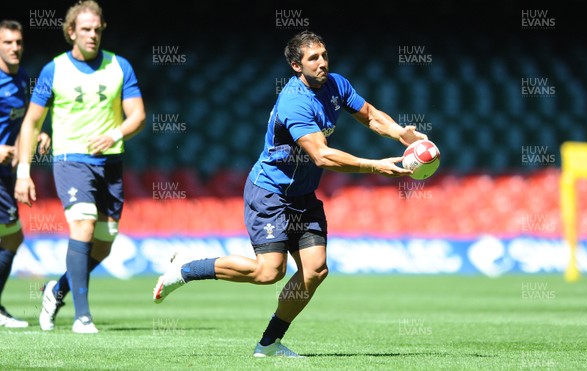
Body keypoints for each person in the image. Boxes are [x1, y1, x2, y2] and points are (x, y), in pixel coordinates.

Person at [153, 30, 427, 357]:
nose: (322, 62)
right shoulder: (294, 102)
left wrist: (400, 134)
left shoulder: (336, 84)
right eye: (314, 58)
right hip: (270, 192)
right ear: (297, 66)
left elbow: (368, 114)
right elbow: (322, 155)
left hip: (302, 195)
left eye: (324, 55)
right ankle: (186, 269)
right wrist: (375, 166)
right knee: (269, 271)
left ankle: (268, 343)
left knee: (315, 270)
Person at [14, 0, 146, 334]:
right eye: (85, 29)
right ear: (71, 32)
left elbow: (138, 116)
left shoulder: (120, 66)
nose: (92, 35)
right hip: (71, 160)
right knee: (83, 226)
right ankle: (82, 317)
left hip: (111, 163)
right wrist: (24, 171)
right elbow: (31, 123)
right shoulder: (53, 70)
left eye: (97, 29)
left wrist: (115, 133)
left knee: (104, 242)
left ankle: (55, 291)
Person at [0, 19, 51, 329]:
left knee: (12, 237)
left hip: (6, 173)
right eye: (7, 42)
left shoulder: (22, 83)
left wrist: (38, 136)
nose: (15, 48)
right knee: (11, 236)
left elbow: (23, 126)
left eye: (18, 42)